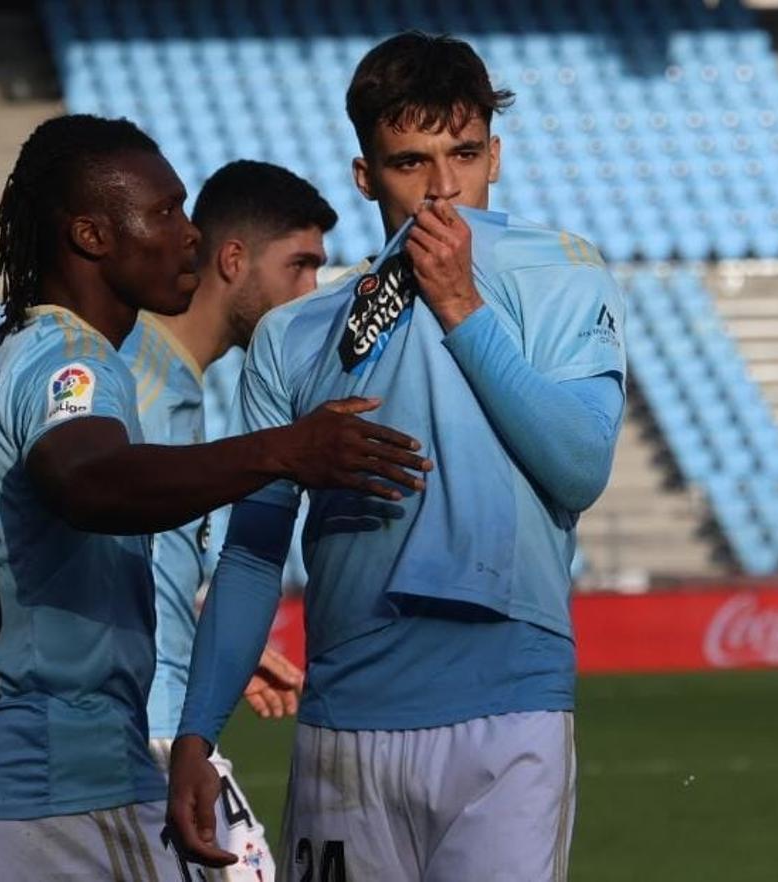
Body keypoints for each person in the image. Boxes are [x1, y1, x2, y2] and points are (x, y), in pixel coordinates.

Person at [0, 115, 429, 882]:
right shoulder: (80, 364)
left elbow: (9, 550)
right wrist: (287, 448)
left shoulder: (15, 350)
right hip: (58, 770)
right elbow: (91, 484)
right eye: (164, 213)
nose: (187, 234)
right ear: (90, 236)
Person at [166, 32, 627, 881]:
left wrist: (463, 308)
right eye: (411, 162)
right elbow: (251, 554)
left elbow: (580, 468)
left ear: (495, 153)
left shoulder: (564, 273)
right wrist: (198, 731)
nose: (445, 187)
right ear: (365, 176)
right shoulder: (296, 334)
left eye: (465, 154)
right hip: (347, 722)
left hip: (509, 708)